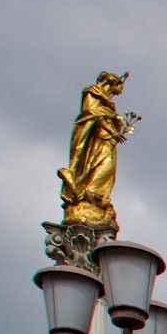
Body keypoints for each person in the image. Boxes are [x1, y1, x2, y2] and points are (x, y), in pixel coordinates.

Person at [58, 71, 134, 227]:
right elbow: (92, 115)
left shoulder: (107, 102)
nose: (120, 92)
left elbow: (102, 115)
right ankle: (88, 193)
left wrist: (116, 124)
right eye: (120, 87)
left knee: (108, 166)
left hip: (105, 140)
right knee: (104, 164)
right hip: (93, 139)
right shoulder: (92, 92)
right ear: (113, 83)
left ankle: (94, 195)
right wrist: (112, 130)